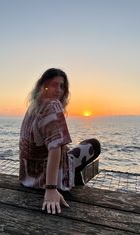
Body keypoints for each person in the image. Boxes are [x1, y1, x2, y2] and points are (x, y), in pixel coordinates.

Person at [19, 68, 101, 214]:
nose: (58, 90)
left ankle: (73, 175)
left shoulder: (32, 107)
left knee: (68, 149)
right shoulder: (52, 105)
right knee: (94, 144)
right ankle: (71, 176)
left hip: (29, 178)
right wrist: (51, 189)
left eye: (62, 86)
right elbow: (55, 147)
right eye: (53, 84)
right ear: (43, 86)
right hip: (47, 180)